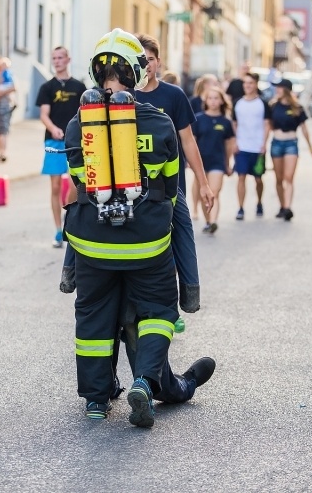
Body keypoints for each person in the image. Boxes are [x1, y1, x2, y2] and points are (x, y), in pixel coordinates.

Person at [63, 28, 214, 427]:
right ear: (137, 71)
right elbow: (170, 190)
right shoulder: (160, 123)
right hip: (146, 244)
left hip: (92, 244)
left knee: (92, 317)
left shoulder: (80, 124)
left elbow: (79, 183)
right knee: (158, 310)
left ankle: (96, 401)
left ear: (96, 72)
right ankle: (145, 382)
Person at [134, 33, 214, 315]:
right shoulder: (121, 95)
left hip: (169, 186)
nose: (145, 65)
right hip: (129, 186)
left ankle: (186, 296)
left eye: (150, 59)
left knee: (178, 237)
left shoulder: (173, 95)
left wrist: (203, 183)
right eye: (139, 60)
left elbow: (188, 141)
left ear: (158, 61)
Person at [36, 46, 87, 248]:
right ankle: (58, 230)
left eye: (60, 58)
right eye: (54, 58)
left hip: (76, 143)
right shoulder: (47, 87)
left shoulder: (79, 87)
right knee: (55, 186)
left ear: (68, 60)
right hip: (54, 142)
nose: (57, 61)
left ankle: (69, 220)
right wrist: (53, 129)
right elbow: (43, 115)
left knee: (75, 185)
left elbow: (85, 113)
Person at [268, 77, 312, 221]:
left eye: (279, 87)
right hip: (277, 142)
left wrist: (310, 147)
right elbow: (267, 125)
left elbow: (304, 128)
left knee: (288, 177)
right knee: (279, 178)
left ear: (286, 90)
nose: (277, 90)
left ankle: (288, 207)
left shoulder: (297, 107)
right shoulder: (273, 106)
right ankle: (282, 206)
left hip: (291, 143)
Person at [192, 87, 235, 233]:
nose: (213, 101)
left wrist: (228, 164)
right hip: (201, 162)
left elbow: (229, 144)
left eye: (216, 98)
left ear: (222, 101)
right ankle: (208, 221)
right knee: (204, 194)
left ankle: (213, 221)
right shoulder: (198, 119)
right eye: (210, 98)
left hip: (218, 161)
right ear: (206, 101)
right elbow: (192, 142)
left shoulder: (226, 122)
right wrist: (190, 162)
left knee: (214, 192)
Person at [232, 72, 271, 219]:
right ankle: (240, 208)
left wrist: (264, 143)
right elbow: (234, 123)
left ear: (256, 84)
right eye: (245, 83)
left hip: (257, 147)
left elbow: (267, 124)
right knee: (241, 177)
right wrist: (235, 142)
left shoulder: (263, 104)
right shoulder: (238, 103)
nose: (247, 86)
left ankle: (259, 202)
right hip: (242, 146)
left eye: (250, 83)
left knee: (258, 179)